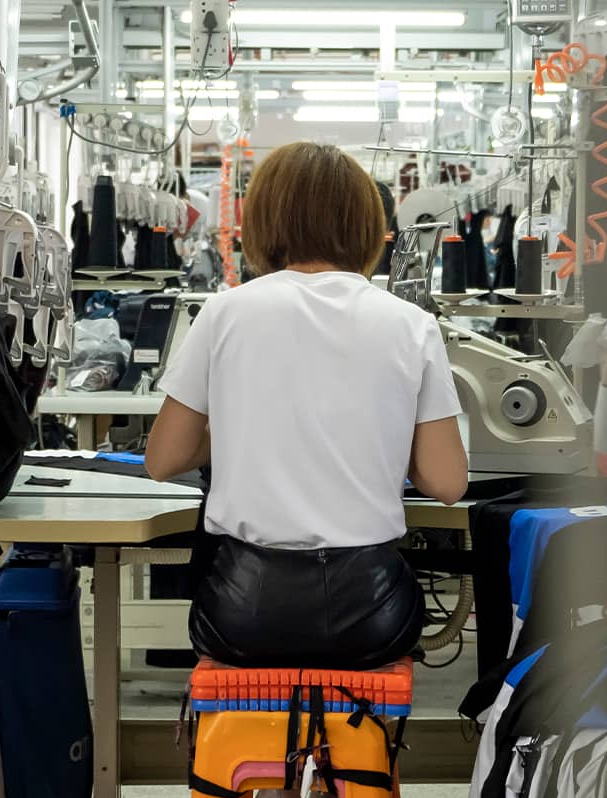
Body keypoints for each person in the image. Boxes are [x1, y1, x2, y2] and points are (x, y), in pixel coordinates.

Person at [145, 142, 468, 674]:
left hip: (242, 612)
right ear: (368, 224)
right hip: (372, 613)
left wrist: (238, 423)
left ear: (266, 218)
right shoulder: (410, 324)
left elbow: (163, 460)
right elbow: (448, 483)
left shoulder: (224, 313)